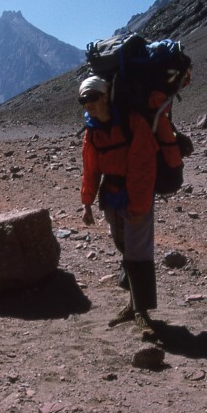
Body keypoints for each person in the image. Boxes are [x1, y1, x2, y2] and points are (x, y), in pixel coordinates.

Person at [78, 74, 181, 342]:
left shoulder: (132, 123)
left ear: (104, 96)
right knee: (125, 248)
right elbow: (91, 168)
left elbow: (143, 168)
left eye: (91, 98)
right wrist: (87, 203)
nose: (87, 104)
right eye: (82, 99)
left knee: (139, 253)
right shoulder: (93, 130)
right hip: (112, 197)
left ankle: (142, 313)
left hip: (135, 196)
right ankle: (134, 305)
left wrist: (139, 207)